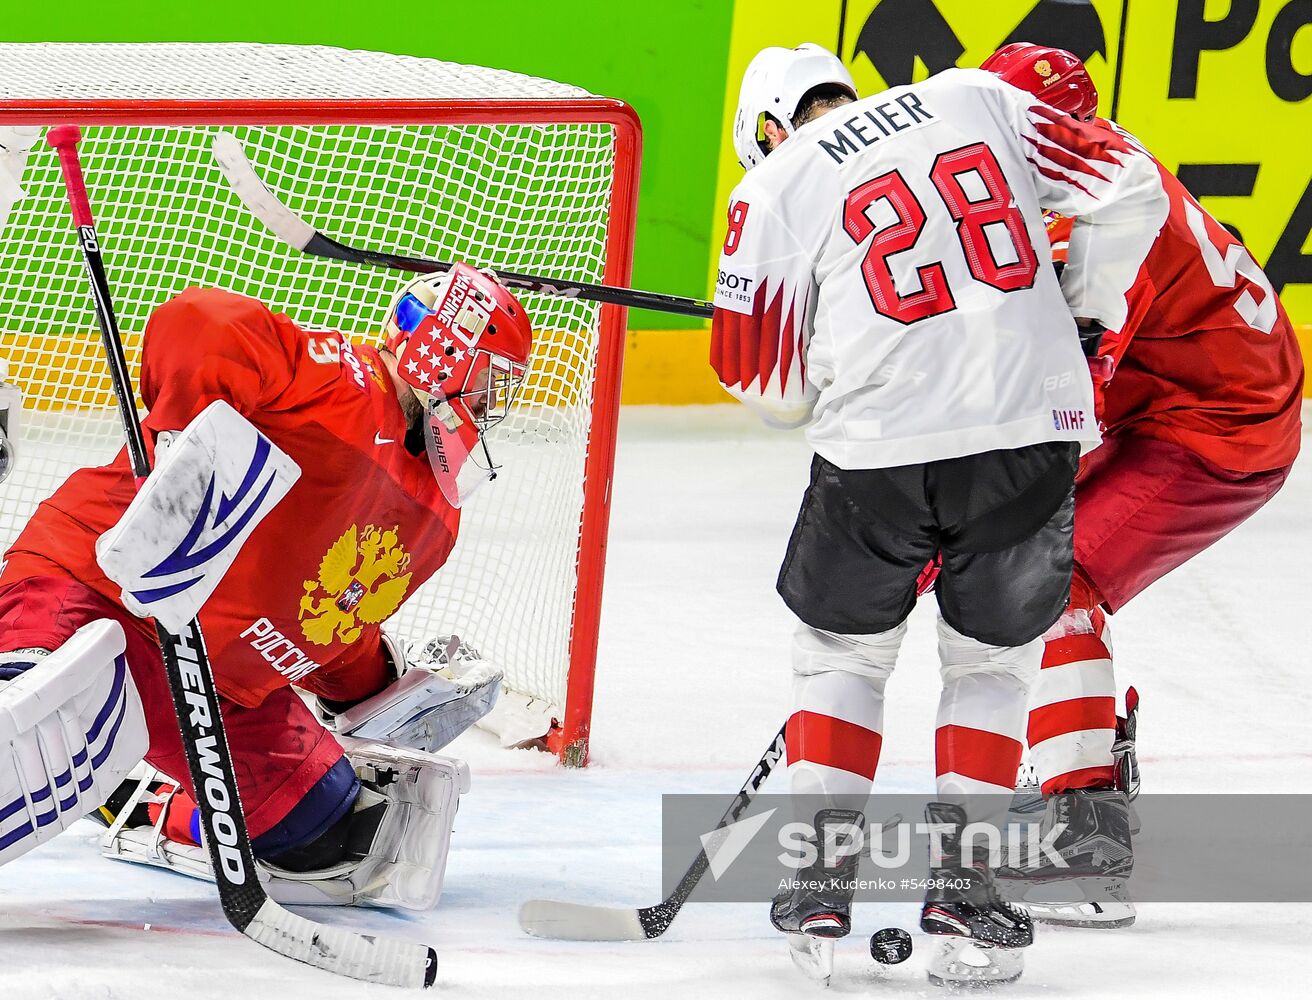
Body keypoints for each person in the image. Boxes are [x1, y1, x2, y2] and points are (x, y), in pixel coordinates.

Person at [711, 42, 1169, 985]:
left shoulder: (775, 186)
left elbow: (769, 390)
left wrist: (836, 350)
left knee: (841, 657)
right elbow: (1131, 190)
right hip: (1030, 435)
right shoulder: (973, 97)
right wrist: (1083, 316)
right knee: (992, 666)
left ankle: (819, 884)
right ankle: (965, 891)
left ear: (766, 130)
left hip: (876, 455)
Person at [0, 262, 531, 908]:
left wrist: (383, 690)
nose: (492, 404)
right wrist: (181, 446)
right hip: (101, 594)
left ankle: (136, 803)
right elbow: (196, 322)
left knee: (327, 832)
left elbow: (331, 624)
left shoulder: (437, 521)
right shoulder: (339, 383)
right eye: (491, 378)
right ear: (443, 349)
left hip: (217, 686)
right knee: (36, 714)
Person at [980, 43, 1303, 928]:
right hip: (1186, 393)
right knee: (1013, 560)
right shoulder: (1092, 165)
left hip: (1218, 429)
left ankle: (1084, 844)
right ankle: (1075, 766)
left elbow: (1064, 408)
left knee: (1048, 580)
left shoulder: (1094, 223)